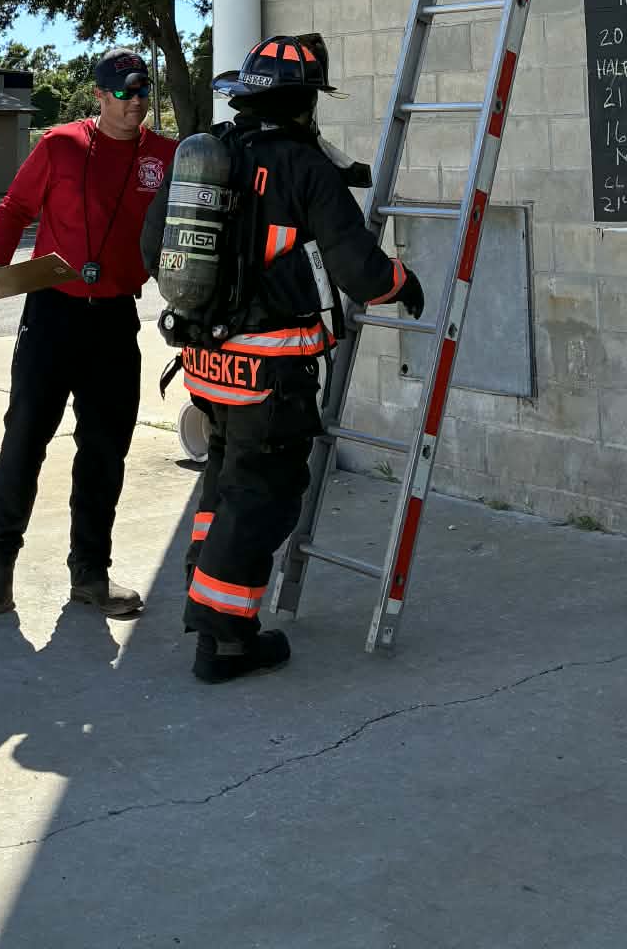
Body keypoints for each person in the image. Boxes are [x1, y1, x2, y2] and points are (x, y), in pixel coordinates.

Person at [140, 33, 424, 684]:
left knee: (224, 482)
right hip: (272, 375)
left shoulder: (210, 154)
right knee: (263, 495)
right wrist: (404, 285)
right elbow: (360, 270)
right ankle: (224, 640)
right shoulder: (305, 168)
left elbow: (152, 244)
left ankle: (203, 591)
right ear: (305, 103)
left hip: (209, 366)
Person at [0, 47, 176, 618]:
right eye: (124, 92)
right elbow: (14, 208)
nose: (135, 102)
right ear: (99, 96)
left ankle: (90, 574)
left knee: (105, 453)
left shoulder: (166, 156)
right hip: (52, 314)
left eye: (142, 91)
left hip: (114, 320)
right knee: (25, 441)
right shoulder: (60, 144)